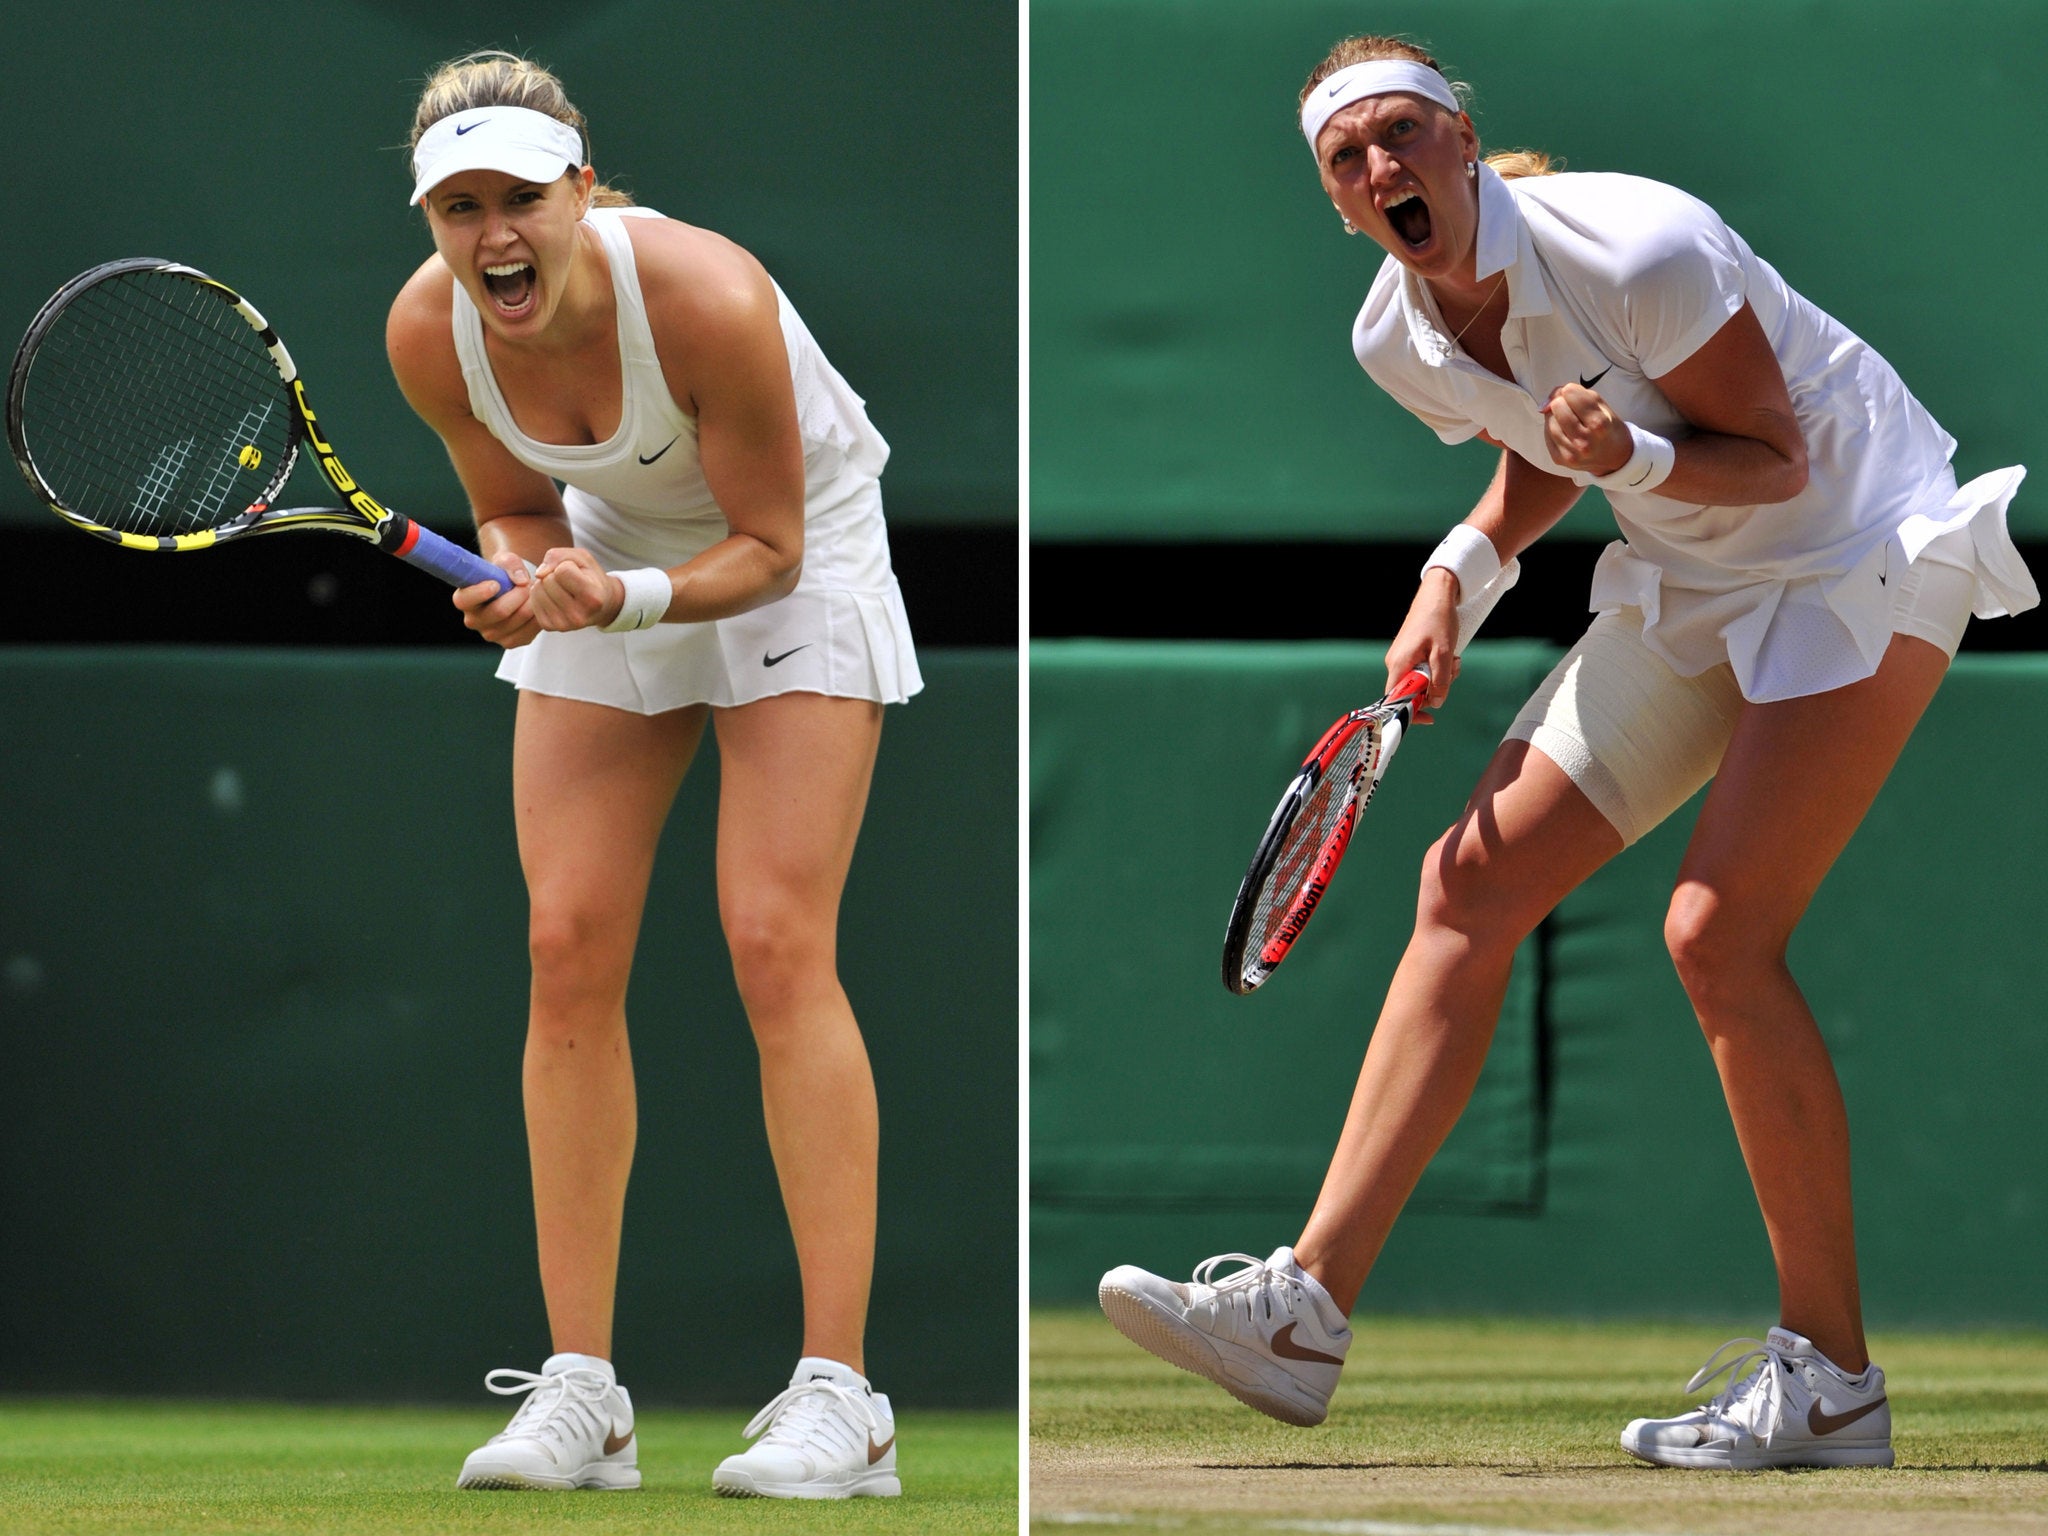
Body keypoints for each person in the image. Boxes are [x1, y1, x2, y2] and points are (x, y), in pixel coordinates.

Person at [1098, 35, 2036, 1471]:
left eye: (1404, 134)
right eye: (1346, 159)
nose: (1381, 167)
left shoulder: (1641, 243)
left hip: (1858, 543)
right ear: (1336, 203)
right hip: (1694, 581)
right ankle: (1302, 1313)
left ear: (1466, 139)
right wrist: (1457, 576)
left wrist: (1630, 465)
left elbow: (1770, 453)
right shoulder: (1390, 336)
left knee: (1718, 936)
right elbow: (1536, 441)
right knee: (1464, 890)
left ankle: (1830, 1380)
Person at [385, 51, 915, 1498]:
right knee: (564, 947)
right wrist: (509, 573)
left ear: (583, 188)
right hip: (601, 558)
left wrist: (609, 599)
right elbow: (504, 504)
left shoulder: (708, 295)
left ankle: (842, 1399)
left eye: (521, 199)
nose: (493, 235)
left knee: (774, 940)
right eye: (458, 208)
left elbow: (769, 548)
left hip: (792, 556)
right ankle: (584, 1395)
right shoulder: (430, 332)